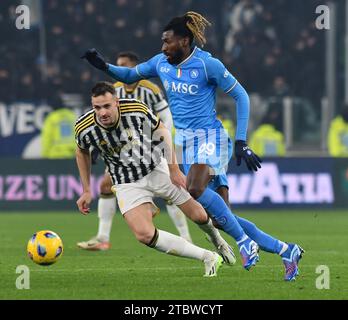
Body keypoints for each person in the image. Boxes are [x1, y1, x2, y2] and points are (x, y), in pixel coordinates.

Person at [82, 11, 303, 280]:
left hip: (210, 138)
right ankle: (286, 250)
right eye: (162, 43)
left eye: (168, 42)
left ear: (185, 41)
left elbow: (241, 96)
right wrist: (103, 65)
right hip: (184, 142)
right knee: (222, 218)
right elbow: (129, 76)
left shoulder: (208, 65)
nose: (163, 48)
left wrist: (242, 140)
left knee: (194, 189)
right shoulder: (161, 63)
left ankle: (245, 242)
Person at [75, 81, 237, 276]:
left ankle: (217, 239)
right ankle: (207, 256)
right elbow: (81, 151)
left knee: (200, 216)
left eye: (107, 106)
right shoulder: (84, 127)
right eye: (97, 107)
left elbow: (162, 131)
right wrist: (85, 190)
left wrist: (174, 169)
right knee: (144, 235)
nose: (102, 113)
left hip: (157, 168)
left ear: (116, 102)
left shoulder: (135, 110)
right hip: (127, 182)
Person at [77, 52, 192, 251]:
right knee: (105, 186)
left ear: (133, 67)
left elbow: (166, 117)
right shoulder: (115, 90)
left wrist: (158, 140)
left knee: (172, 191)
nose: (118, 69)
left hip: (151, 146)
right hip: (121, 152)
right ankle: (103, 237)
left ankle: (185, 236)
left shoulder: (150, 89)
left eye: (123, 65)